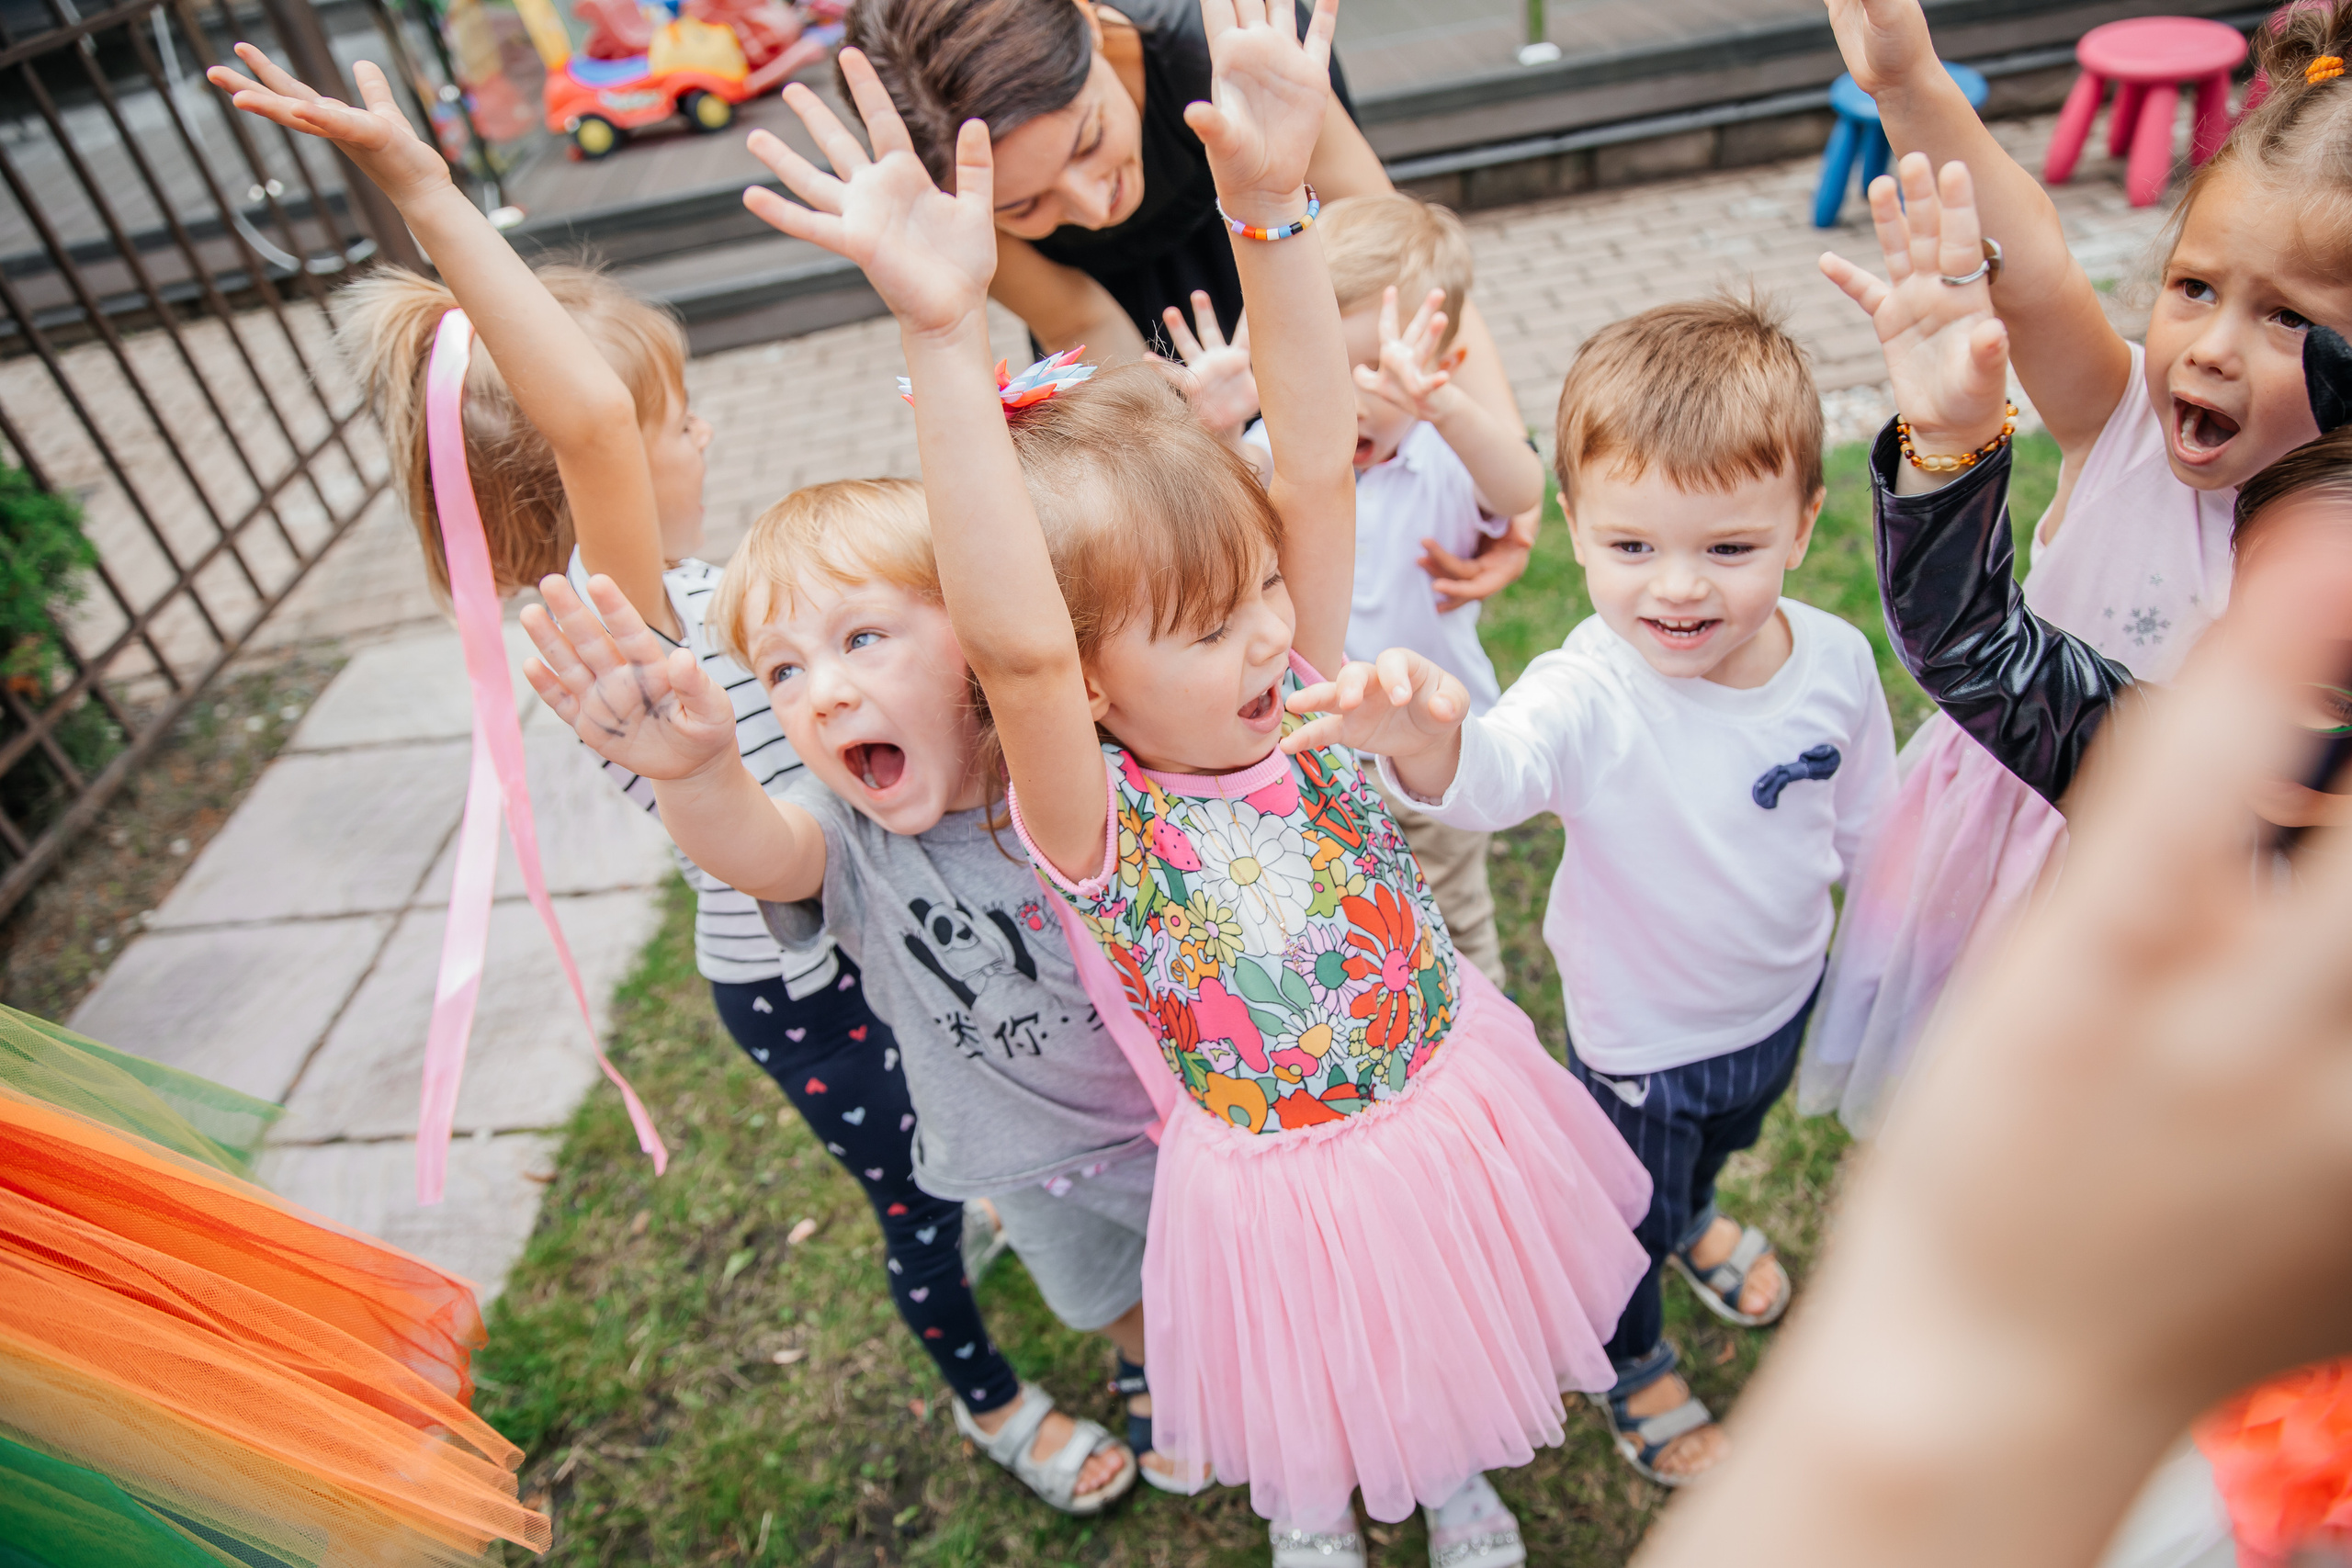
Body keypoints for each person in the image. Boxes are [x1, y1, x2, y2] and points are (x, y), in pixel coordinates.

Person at [741, 6, 1653, 1563]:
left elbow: (1306, 460)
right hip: (1274, 1181)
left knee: (1441, 1312)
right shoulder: (1093, 816)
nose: (1266, 639)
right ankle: (1318, 1511)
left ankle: (1453, 1479)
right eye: (1204, 628)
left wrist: (1273, 206)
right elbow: (1014, 647)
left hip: (1438, 1096)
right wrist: (944, 333)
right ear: (1086, 682)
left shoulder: (1293, 688)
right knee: (1325, 1357)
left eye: (1262, 602)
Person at [209, 45, 1142, 1515]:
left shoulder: (699, 586)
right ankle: (994, 1396)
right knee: (928, 1193)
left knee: (1026, 1123)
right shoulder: (611, 617)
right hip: (816, 984)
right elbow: (580, 413)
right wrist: (428, 190)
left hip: (904, 915)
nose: (696, 430)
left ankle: (1101, 1279)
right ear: (588, 486)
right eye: (670, 421)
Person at [1621, 457, 2352, 1568]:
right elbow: (1974, 641)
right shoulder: (2159, 767)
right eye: (2251, 628)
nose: (2286, 706)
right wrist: (1950, 447)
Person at [1293, 295, 1897, 1486]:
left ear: (1804, 518)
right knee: (1621, 1222)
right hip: (1639, 1039)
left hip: (1779, 999)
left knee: (1720, 1149)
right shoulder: (1588, 689)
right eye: (1633, 547)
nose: (1678, 589)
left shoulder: (1834, 661)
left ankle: (1699, 1211)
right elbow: (1491, 777)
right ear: (1573, 527)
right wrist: (1418, 738)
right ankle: (1632, 1350)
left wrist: (1885, 926)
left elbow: (1870, 812)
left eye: (1728, 547)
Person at [1800, 0, 2352, 1136]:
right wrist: (1910, 80)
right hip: (1990, 842)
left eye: (2287, 319)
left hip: (2155, 922)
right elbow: (2033, 259)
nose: (2208, 345)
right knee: (1954, 1094)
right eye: (2193, 287)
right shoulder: (2123, 427)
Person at [841, 0, 1543, 611]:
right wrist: (1198, 450)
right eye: (1023, 205)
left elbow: (1400, 258)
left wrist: (1512, 460)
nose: (1092, 205)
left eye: (1088, 141)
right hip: (1126, 341)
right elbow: (1083, 320)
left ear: (1087, 22)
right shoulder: (947, 184)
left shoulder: (1240, 44)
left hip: (1285, 244)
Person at [1233, 192, 1545, 984]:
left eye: (1376, 368)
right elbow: (1199, 506)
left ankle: (1488, 1035)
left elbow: (1517, 488)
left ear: (1441, 365)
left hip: (1428, 734)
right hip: (1312, 747)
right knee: (1346, 915)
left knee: (1453, 908)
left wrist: (1442, 408)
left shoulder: (1445, 450)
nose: (1348, 396)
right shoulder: (1270, 453)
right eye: (1321, 368)